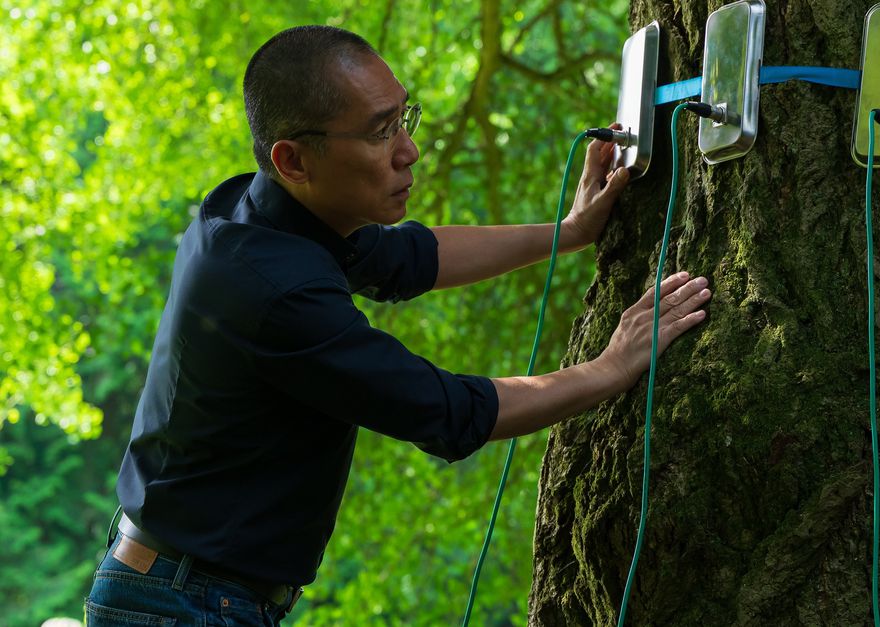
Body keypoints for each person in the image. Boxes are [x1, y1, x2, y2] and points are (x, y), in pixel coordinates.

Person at [83, 24, 710, 626]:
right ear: (294, 159)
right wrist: (612, 367)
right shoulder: (274, 292)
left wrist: (568, 234)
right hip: (181, 604)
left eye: (404, 118)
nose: (410, 150)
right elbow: (448, 410)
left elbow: (413, 256)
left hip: (185, 588)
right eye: (382, 133)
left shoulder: (263, 213)